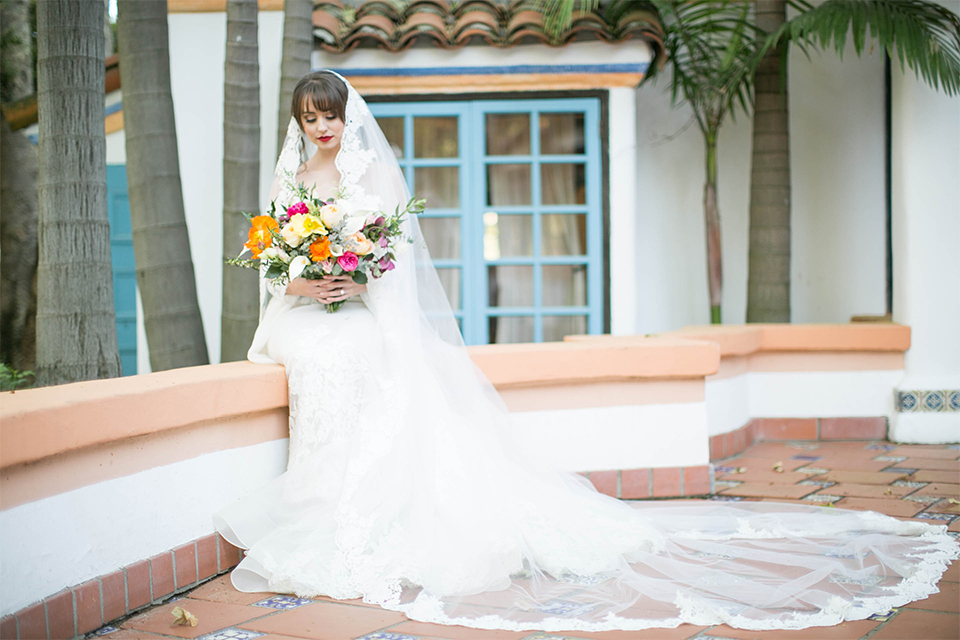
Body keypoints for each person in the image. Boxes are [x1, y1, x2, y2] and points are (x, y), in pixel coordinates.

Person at [214, 70, 958, 633]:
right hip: (311, 305)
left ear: (348, 119)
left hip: (361, 306)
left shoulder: (368, 173)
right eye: (310, 118)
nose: (320, 128)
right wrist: (301, 277)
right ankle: (319, 489)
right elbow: (278, 248)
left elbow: (387, 259)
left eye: (329, 116)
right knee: (317, 357)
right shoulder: (292, 176)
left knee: (360, 360)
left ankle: (354, 504)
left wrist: (347, 275)